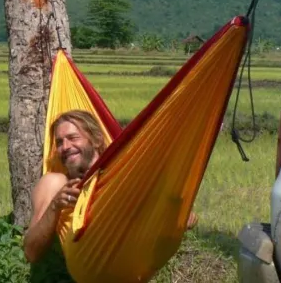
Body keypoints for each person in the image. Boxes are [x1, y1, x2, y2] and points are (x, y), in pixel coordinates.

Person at [23, 109, 198, 264]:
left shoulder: (122, 178)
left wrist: (182, 217)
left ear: (97, 140)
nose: (65, 147)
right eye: (60, 142)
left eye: (73, 138)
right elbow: (31, 252)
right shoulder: (56, 183)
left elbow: (166, 210)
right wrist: (55, 206)